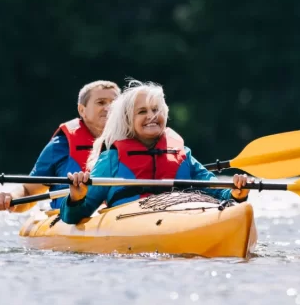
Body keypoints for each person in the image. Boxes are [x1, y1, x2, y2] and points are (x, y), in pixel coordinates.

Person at [61, 80, 252, 224]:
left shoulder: (183, 155)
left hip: (182, 217)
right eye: (142, 112)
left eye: (156, 109)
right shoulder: (112, 159)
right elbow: (75, 217)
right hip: (130, 223)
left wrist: (237, 193)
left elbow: (218, 193)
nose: (152, 116)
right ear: (128, 120)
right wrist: (76, 198)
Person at [0, 80, 120, 212]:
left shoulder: (133, 143)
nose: (108, 108)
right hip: (73, 217)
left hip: (119, 215)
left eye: (114, 103)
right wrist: (11, 198)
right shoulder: (60, 146)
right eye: (101, 102)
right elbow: (29, 191)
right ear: (82, 110)